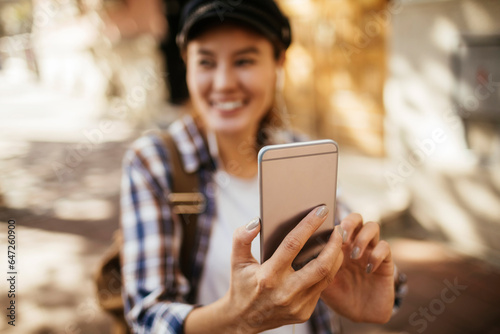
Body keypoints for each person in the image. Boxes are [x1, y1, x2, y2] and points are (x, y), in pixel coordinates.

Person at [120, 0, 406, 333]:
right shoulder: (155, 162)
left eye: (244, 60)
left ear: (278, 62)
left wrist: (371, 282)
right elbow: (148, 318)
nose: (224, 82)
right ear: (186, 64)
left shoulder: (302, 153)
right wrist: (236, 315)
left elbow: (356, 264)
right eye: (206, 62)